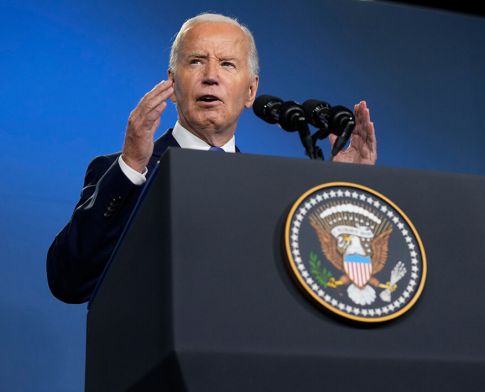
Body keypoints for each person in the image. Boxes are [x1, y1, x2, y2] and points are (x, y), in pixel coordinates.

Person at [46, 13, 377, 304]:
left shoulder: (271, 190)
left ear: (250, 91)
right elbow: (69, 281)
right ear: (173, 84)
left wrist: (344, 196)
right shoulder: (122, 173)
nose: (210, 75)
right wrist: (132, 166)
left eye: (227, 64)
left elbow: (319, 287)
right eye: (196, 61)